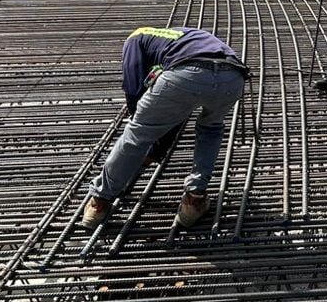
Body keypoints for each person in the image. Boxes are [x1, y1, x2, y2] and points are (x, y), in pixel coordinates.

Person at [80, 25, 250, 232]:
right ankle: (194, 200)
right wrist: (158, 149)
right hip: (233, 77)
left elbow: (134, 87)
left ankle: (100, 201)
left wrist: (146, 132)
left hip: (186, 73)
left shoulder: (136, 37)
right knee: (211, 129)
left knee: (137, 133)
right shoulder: (188, 37)